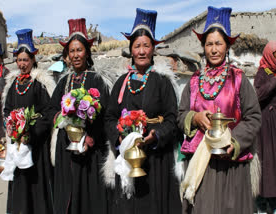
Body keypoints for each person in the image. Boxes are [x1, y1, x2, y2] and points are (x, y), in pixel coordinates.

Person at [177, 6, 261, 214]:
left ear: (227, 46)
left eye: (218, 44)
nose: (214, 49)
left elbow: (253, 117)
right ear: (203, 47)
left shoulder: (238, 79)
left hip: (231, 167)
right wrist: (194, 117)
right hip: (200, 166)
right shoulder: (194, 82)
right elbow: (180, 115)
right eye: (209, 44)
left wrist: (235, 141)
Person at [104, 8, 181, 214]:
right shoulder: (122, 82)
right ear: (131, 49)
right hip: (127, 156)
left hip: (156, 159)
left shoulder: (163, 82)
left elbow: (172, 119)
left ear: (153, 49)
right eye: (137, 46)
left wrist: (156, 136)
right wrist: (119, 139)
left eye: (146, 45)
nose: (141, 51)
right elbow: (110, 117)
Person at [49, 18, 109, 214]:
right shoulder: (63, 82)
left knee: (87, 197)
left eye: (79, 50)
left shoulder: (97, 80)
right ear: (67, 55)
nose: (75, 55)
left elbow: (105, 115)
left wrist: (90, 138)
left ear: (87, 52)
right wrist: (64, 119)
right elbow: (51, 110)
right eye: (71, 51)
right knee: (68, 195)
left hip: (90, 149)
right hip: (66, 148)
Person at [2, 29, 55, 214]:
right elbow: (7, 110)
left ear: (33, 60)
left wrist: (30, 133)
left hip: (35, 146)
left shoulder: (40, 84)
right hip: (17, 142)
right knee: (19, 182)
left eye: (26, 59)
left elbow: (47, 114)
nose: (22, 64)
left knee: (35, 185)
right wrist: (12, 127)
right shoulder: (12, 85)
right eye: (19, 60)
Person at [254, 40, 276, 214]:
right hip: (266, 127)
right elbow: (258, 95)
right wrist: (275, 80)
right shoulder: (263, 72)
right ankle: (265, 202)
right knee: (268, 162)